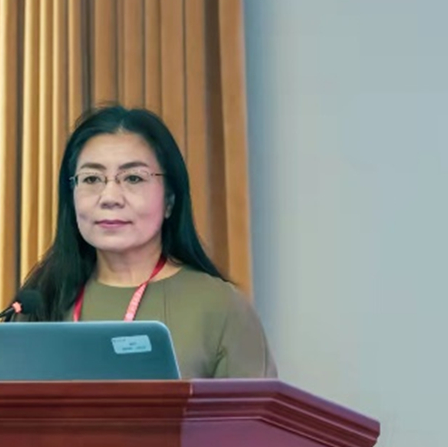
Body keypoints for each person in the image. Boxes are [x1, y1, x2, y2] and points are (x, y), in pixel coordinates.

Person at [17, 104, 277, 379]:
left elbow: (253, 408)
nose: (110, 197)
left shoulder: (220, 307)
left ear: (170, 200)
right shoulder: (40, 302)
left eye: (133, 178)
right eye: (92, 178)